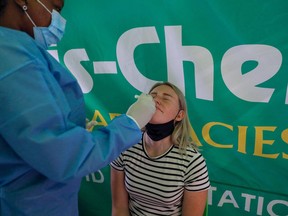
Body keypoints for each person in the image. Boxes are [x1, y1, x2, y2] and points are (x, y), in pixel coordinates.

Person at [0, 0, 156, 215]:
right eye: (55, 8)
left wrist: (72, 130)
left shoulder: (20, 50)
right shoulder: (10, 55)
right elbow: (60, 156)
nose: (58, 19)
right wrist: (130, 123)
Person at [111, 82, 211, 216]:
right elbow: (119, 208)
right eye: (152, 96)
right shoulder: (125, 147)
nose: (156, 100)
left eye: (166, 98)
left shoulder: (192, 162)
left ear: (179, 115)